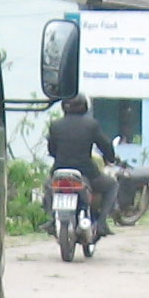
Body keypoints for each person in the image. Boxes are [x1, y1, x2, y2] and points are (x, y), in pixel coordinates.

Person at [44, 93, 121, 234]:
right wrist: (110, 157)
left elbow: (52, 150)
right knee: (112, 185)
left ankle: (51, 220)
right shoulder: (91, 125)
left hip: (59, 171)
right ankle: (102, 223)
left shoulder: (55, 126)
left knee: (48, 186)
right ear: (85, 107)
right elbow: (105, 145)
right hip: (87, 173)